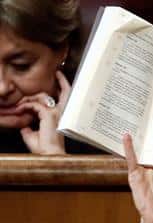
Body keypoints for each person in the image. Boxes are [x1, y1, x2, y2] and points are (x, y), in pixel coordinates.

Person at [0, 0, 88, 154]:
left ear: (62, 50)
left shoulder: (103, 134)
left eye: (21, 65)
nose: (2, 88)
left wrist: (54, 156)